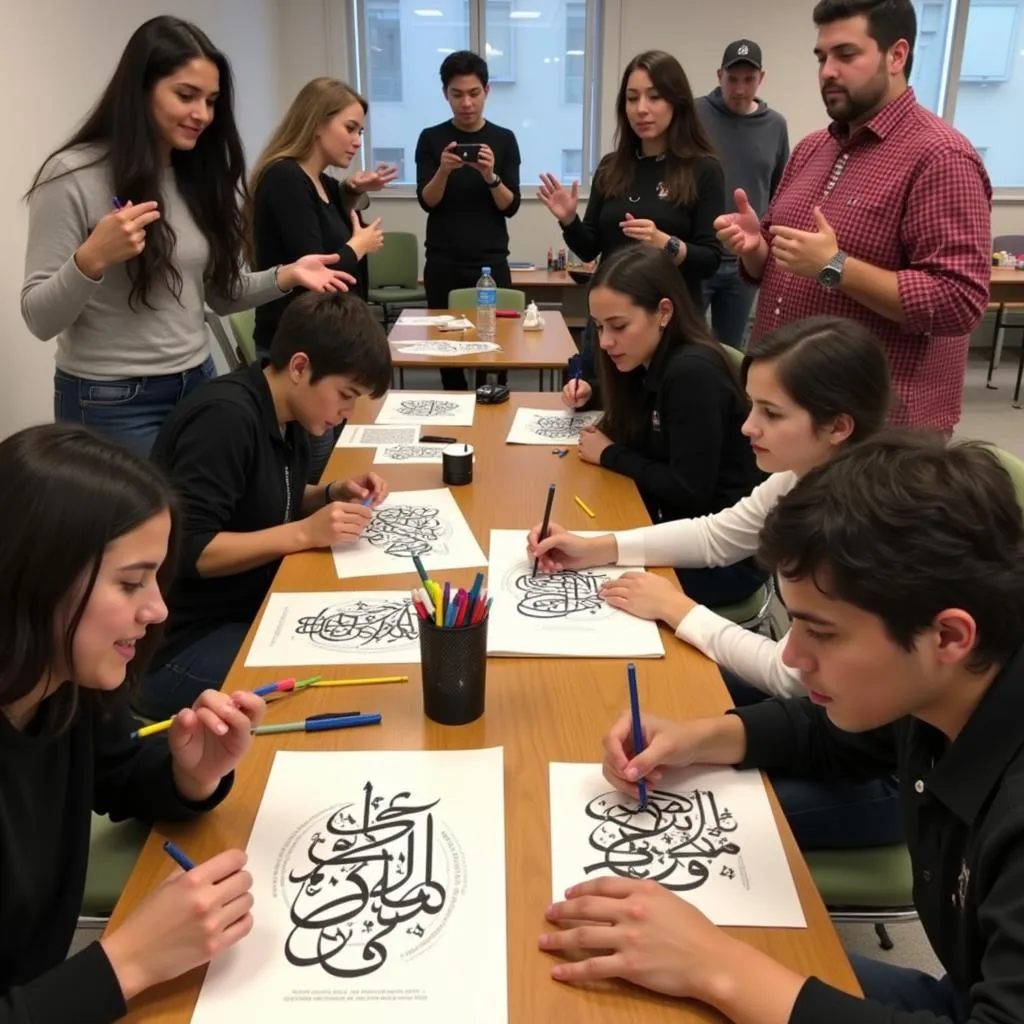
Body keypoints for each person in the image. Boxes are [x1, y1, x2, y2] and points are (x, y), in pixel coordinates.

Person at [540, 433, 1024, 1024]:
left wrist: (716, 965)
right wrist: (699, 737)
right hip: (969, 991)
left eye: (821, 632)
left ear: (948, 636)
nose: (790, 656)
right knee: (623, 960)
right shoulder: (945, 687)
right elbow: (829, 733)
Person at [531, 315, 903, 850]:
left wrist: (679, 610)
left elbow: (791, 674)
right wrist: (599, 546)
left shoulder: (867, 529)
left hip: (882, 770)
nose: (748, 427)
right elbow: (716, 536)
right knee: (642, 713)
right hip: (827, 725)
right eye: (753, 406)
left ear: (838, 427)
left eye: (771, 414)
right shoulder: (802, 477)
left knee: (658, 813)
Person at [0, 422, 265, 1023]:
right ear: (33, 575)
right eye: (129, 582)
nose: (159, 609)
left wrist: (189, 775)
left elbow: (117, 771)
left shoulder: (60, 687)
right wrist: (128, 961)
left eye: (155, 578)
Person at [21, 16, 355, 458]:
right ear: (139, 90)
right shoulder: (72, 176)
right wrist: (91, 259)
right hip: (110, 400)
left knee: (201, 519)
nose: (202, 114)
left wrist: (287, 275)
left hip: (198, 379)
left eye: (211, 101)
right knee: (145, 525)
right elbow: (38, 318)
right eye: (186, 95)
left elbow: (220, 296)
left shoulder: (196, 176)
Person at [714, 0, 991, 432]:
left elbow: (958, 301)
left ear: (896, 56)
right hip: (792, 415)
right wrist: (756, 249)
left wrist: (835, 266)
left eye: (846, 55)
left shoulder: (941, 156)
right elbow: (777, 268)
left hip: (875, 432)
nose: (827, 71)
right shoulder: (811, 149)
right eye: (822, 57)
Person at [137, 292, 393, 720]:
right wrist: (303, 533)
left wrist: (329, 493)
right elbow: (187, 549)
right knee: (332, 683)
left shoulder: (287, 411)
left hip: (247, 609)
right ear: (299, 367)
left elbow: (271, 497)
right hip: (181, 644)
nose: (348, 412)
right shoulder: (225, 420)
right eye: (345, 394)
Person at [556, 246, 763, 609]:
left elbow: (688, 491)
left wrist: (610, 454)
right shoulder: (649, 359)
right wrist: (592, 393)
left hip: (724, 558)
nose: (605, 342)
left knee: (587, 585)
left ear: (663, 312)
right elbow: (641, 418)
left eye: (618, 326)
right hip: (676, 528)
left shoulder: (692, 374)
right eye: (600, 327)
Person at [538, 50, 724, 381]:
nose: (641, 109)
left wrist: (664, 243)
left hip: (669, 322)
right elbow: (589, 248)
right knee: (599, 408)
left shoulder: (703, 169)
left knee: (663, 418)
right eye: (632, 98)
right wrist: (569, 220)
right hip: (611, 322)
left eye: (654, 97)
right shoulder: (612, 166)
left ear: (676, 102)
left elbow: (709, 259)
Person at [248, 77, 395, 480]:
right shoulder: (285, 178)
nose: (356, 141)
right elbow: (317, 271)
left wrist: (349, 195)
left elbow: (327, 227)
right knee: (314, 469)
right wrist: (359, 245)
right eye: (350, 128)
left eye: (360, 132)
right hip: (300, 346)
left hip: (330, 343)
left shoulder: (323, 182)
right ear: (316, 122)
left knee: (333, 461)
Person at [415, 50, 522, 391]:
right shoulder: (430, 138)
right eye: (457, 94)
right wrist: (443, 171)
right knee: (446, 350)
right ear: (445, 94)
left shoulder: (504, 140)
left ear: (487, 91)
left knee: (498, 347)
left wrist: (490, 175)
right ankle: (457, 404)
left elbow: (510, 206)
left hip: (490, 263)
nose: (466, 103)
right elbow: (427, 201)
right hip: (443, 261)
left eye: (474, 93)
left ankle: (492, 402)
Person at [696, 40, 789, 349]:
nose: (739, 89)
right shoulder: (694, 115)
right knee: (684, 346)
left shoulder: (775, 125)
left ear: (761, 78)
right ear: (719, 75)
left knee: (732, 352)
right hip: (699, 257)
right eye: (732, 79)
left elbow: (781, 193)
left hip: (744, 265)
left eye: (748, 80)